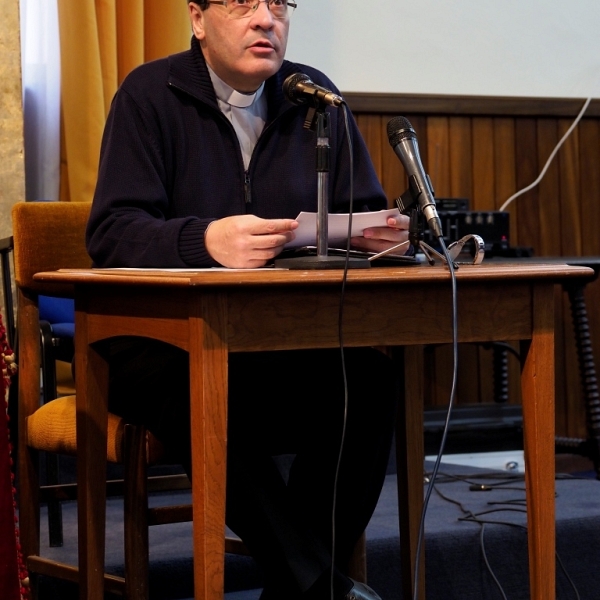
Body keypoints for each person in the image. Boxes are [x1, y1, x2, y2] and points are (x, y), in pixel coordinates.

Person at [86, 2, 412, 599]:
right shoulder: (148, 95)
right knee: (202, 384)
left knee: (366, 380)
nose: (266, 20)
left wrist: (380, 235)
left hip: (274, 341)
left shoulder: (314, 97)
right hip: (161, 341)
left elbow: (360, 206)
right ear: (198, 18)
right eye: (242, 3)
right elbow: (110, 232)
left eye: (279, 3)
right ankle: (319, 588)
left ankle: (299, 587)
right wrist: (203, 239)